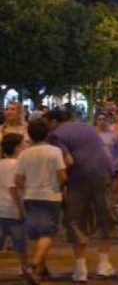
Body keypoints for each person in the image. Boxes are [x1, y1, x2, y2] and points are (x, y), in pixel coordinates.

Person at [48, 109, 116, 282]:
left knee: (75, 219)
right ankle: (104, 263)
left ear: (54, 122)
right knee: (105, 216)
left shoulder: (56, 135)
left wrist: (62, 182)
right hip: (103, 174)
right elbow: (105, 152)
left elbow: (68, 160)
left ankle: (80, 268)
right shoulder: (87, 128)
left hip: (79, 178)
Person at [16, 119, 67, 284]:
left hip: (30, 196)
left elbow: (18, 179)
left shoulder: (24, 153)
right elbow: (62, 176)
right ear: (47, 133)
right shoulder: (55, 152)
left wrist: (28, 188)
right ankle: (33, 266)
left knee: (35, 235)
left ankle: (41, 270)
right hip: (50, 196)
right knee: (48, 234)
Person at [0, 134, 28, 275]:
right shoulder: (16, 165)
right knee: (21, 244)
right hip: (12, 210)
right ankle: (24, 269)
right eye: (23, 144)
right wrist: (20, 209)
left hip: (1, 209)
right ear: (17, 148)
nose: (25, 146)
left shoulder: (1, 163)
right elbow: (13, 188)